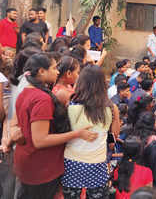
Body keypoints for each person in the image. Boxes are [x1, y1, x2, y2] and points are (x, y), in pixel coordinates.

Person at [13, 53, 97, 199]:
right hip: (40, 167)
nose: (57, 71)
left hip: (28, 163)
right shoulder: (42, 99)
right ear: (41, 71)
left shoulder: (26, 92)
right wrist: (77, 134)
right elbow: (40, 140)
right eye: (53, 68)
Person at [62, 65, 120, 198]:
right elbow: (115, 134)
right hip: (97, 164)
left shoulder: (70, 105)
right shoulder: (111, 108)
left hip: (71, 163)